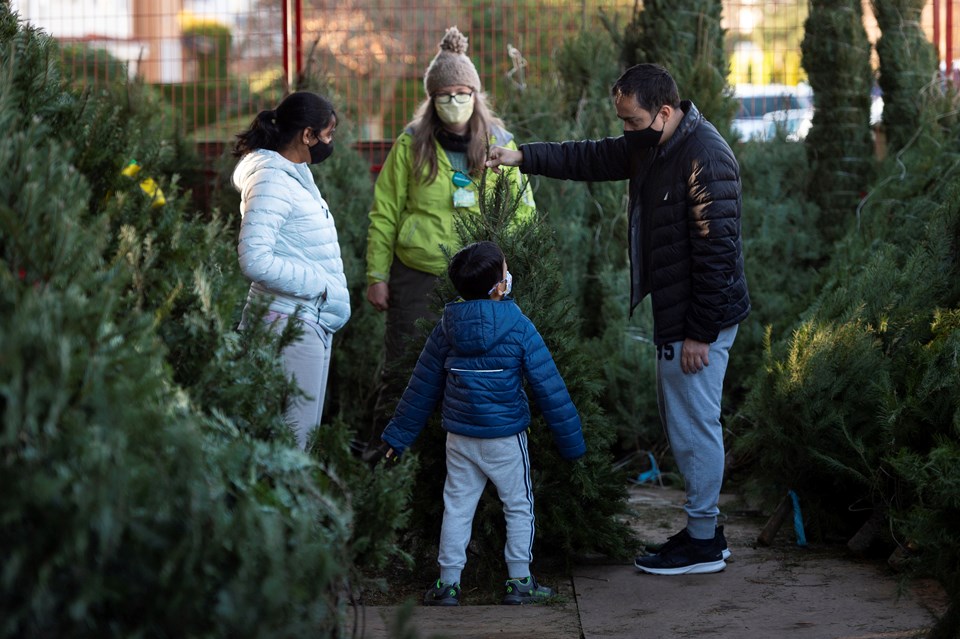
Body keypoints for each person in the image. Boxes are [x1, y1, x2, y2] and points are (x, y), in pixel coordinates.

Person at [486, 63, 750, 576]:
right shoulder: (655, 142)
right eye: (623, 121)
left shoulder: (705, 158)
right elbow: (592, 154)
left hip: (700, 322)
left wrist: (700, 333)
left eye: (632, 121)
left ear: (665, 112)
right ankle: (703, 531)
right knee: (684, 423)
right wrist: (522, 158)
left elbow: (718, 255)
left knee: (695, 427)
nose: (625, 131)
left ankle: (704, 545)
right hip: (681, 313)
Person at [378, 241, 585, 606]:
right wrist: (572, 444)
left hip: (459, 437)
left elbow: (422, 386)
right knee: (518, 504)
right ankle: (520, 580)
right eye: (505, 270)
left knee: (457, 506)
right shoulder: (519, 325)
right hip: (505, 438)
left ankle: (448, 583)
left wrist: (398, 436)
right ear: (500, 287)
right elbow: (549, 386)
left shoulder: (446, 327)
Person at [363, 26, 534, 456]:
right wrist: (376, 275)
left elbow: (522, 208)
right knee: (405, 368)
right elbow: (385, 212)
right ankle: (392, 464)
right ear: (431, 97)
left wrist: (501, 269)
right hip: (417, 273)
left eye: (462, 91)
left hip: (478, 281)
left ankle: (451, 461)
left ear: (476, 94)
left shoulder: (500, 142)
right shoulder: (410, 143)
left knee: (473, 373)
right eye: (445, 93)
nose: (454, 100)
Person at [232, 91, 351, 450]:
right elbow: (254, 259)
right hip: (289, 323)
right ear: (307, 135)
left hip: (302, 320)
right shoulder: (272, 180)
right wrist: (321, 288)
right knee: (291, 444)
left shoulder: (293, 175)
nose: (330, 143)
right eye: (328, 135)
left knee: (294, 439)